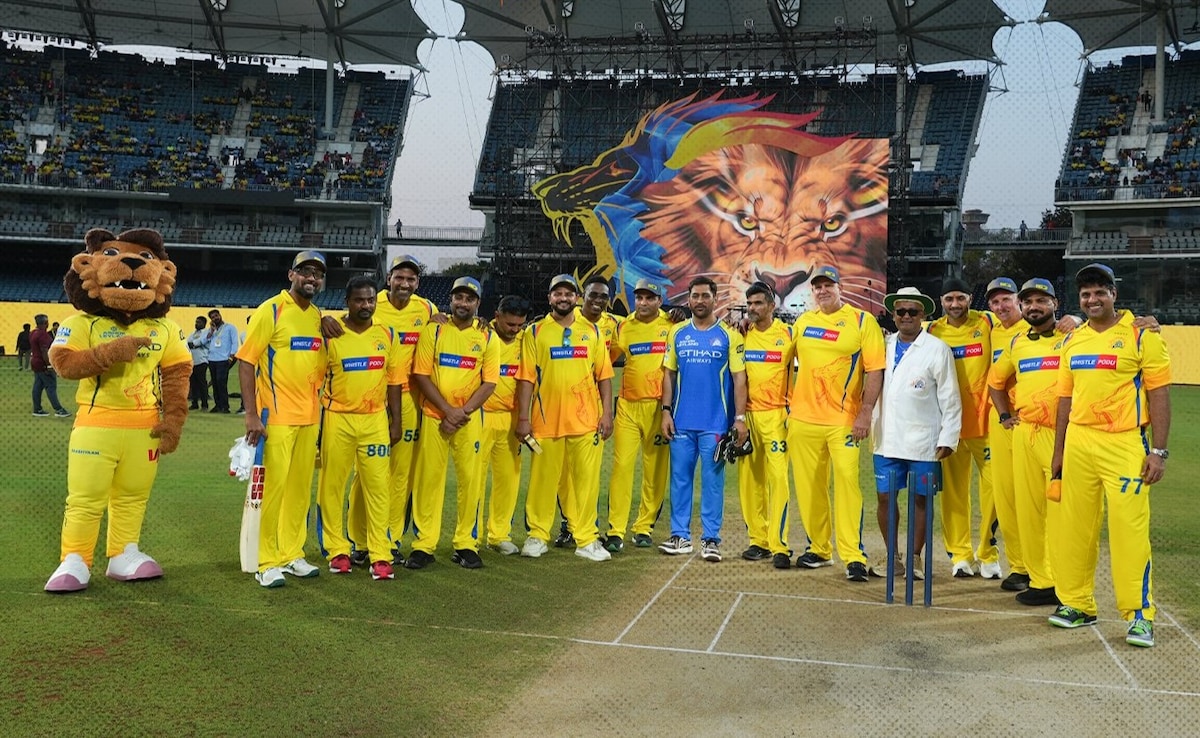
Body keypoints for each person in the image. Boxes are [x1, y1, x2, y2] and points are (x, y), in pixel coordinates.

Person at [1049, 263, 1171, 648]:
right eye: (1086, 294)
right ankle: (1078, 604)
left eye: (1100, 292)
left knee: (1128, 531)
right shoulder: (1073, 340)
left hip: (1124, 443)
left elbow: (1159, 394)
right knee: (1075, 528)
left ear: (1113, 294)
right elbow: (1065, 399)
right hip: (1079, 441)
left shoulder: (1141, 334)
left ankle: (1139, 615)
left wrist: (1158, 451)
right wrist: (1059, 452)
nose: (1092, 299)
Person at [336, 254, 440, 566]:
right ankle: (360, 541)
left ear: (417, 283)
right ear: (389, 279)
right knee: (363, 474)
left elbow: (447, 330)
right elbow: (345, 327)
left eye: (411, 279)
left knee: (400, 474)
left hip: (408, 400)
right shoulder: (371, 301)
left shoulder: (426, 309)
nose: (404, 284)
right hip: (371, 400)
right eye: (399, 277)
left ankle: (389, 540)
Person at [236, 250, 328, 588]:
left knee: (299, 490)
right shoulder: (271, 310)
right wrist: (250, 414)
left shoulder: (316, 316)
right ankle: (265, 561)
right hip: (275, 417)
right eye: (305, 271)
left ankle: (291, 553)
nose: (311, 278)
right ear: (291, 274)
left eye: (317, 274)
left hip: (310, 418)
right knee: (272, 489)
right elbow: (247, 361)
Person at [787, 266, 884, 579]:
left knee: (847, 485)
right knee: (809, 488)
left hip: (844, 420)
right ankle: (819, 549)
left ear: (840, 288)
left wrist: (866, 411)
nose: (823, 291)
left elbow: (874, 369)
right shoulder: (803, 322)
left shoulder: (861, 321)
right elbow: (784, 360)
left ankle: (853, 555)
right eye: (817, 287)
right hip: (803, 420)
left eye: (828, 285)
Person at [514, 274, 615, 562]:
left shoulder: (592, 331)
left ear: (576, 298)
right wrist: (523, 418)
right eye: (557, 293)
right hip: (545, 421)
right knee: (543, 481)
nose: (563, 298)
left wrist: (607, 413)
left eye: (569, 293)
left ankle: (586, 539)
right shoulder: (535, 332)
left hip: (586, 422)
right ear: (550, 298)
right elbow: (526, 379)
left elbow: (604, 376)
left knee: (586, 483)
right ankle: (537, 536)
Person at [406, 277, 499, 570]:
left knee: (470, 481)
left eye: (469, 299)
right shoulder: (433, 330)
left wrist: (461, 412)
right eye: (459, 297)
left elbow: (489, 383)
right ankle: (424, 545)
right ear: (451, 299)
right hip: (434, 416)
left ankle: (465, 543)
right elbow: (421, 374)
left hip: (468, 420)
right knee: (428, 481)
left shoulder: (487, 336)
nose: (463, 303)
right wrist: (447, 411)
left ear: (477, 303)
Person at [315, 277, 404, 581]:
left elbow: (394, 382)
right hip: (338, 417)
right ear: (347, 302)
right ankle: (337, 550)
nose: (366, 305)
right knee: (332, 486)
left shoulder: (387, 334)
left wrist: (396, 421)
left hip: (374, 420)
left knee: (378, 488)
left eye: (370, 300)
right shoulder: (331, 335)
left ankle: (381, 554)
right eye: (359, 300)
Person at [987, 278, 1066, 607]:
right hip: (1025, 431)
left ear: (1055, 304)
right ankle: (1041, 580)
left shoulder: (1072, 336)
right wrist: (1005, 416)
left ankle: (1066, 580)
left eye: (1041, 301)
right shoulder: (1018, 343)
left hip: (1061, 434)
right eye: (1029, 301)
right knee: (1028, 510)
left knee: (1061, 510)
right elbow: (995, 382)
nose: (1034, 307)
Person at [872, 287, 961, 576]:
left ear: (923, 315)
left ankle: (914, 558)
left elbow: (950, 396)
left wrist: (949, 436)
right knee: (885, 498)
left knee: (921, 498)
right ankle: (892, 558)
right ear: (893, 315)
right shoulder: (882, 345)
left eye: (913, 311)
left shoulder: (937, 349)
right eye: (901, 311)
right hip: (886, 436)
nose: (906, 316)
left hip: (924, 439)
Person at [659, 276, 748, 563]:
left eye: (705, 296)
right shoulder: (677, 333)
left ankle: (711, 540)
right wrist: (665, 411)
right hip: (681, 422)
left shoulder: (729, 336)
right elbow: (669, 374)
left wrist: (739, 419)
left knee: (712, 483)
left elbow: (739, 379)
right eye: (695, 296)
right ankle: (680, 536)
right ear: (688, 299)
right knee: (680, 480)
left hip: (715, 424)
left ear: (714, 299)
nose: (699, 301)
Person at [552, 274, 625, 548]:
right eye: (593, 294)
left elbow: (611, 360)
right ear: (582, 296)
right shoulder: (564, 321)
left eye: (603, 296)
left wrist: (675, 316)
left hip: (591, 407)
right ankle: (569, 525)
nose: (597, 300)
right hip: (560, 407)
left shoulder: (614, 325)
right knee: (563, 474)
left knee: (587, 474)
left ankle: (586, 528)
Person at [927, 277, 993, 578]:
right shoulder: (932, 330)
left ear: (969, 298)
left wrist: (1072, 319)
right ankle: (961, 556)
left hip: (986, 424)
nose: (955, 304)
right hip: (949, 427)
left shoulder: (987, 322)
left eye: (960, 298)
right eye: (949, 299)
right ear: (941, 301)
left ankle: (989, 553)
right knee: (953, 494)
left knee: (994, 492)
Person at [606, 279, 673, 551]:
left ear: (659, 301)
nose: (643, 303)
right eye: (639, 298)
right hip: (628, 407)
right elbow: (605, 360)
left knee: (654, 471)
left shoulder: (671, 325)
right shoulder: (624, 327)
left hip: (658, 408)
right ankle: (615, 530)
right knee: (622, 468)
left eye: (649, 298)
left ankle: (643, 527)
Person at [737, 282, 795, 569]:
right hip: (748, 417)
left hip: (777, 417)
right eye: (750, 304)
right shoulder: (742, 334)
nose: (753, 308)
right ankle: (758, 541)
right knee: (751, 482)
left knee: (778, 480)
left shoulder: (789, 335)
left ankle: (779, 544)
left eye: (759, 303)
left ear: (772, 306)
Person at [982, 277, 1031, 592]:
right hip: (1002, 422)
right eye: (995, 302)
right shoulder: (991, 328)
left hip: (1032, 420)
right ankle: (1019, 567)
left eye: (1006, 300)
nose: (1001, 306)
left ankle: (1042, 565)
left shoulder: (1037, 327)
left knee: (1034, 496)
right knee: (1006, 496)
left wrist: (1075, 318)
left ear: (1019, 302)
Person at [476, 295, 531, 556]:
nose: (514, 330)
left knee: (508, 481)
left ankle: (499, 535)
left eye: (519, 325)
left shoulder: (526, 340)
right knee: (474, 479)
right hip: (481, 416)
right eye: (510, 324)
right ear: (496, 316)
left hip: (510, 418)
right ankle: (471, 537)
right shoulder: (480, 334)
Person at [30, 314, 70, 417]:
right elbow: (45, 351)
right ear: (45, 323)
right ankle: (59, 410)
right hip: (43, 363)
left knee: (38, 386)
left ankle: (37, 409)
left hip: (35, 362)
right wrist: (49, 365)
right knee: (51, 386)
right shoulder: (43, 335)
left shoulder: (33, 333)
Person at [204, 309, 240, 413]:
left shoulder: (230, 327)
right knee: (215, 383)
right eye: (212, 317)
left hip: (223, 359)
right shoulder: (212, 330)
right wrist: (211, 331)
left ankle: (225, 406)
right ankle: (217, 405)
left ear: (220, 315)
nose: (215, 318)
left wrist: (231, 356)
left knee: (221, 383)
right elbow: (204, 341)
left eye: (216, 315)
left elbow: (234, 342)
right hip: (212, 359)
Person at [186, 316, 210, 410]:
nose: (196, 324)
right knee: (193, 383)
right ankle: (194, 403)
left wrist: (194, 344)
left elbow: (199, 342)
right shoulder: (193, 333)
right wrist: (193, 345)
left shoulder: (206, 332)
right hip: (192, 361)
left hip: (201, 360)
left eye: (199, 322)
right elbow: (187, 343)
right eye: (196, 322)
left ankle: (204, 404)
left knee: (202, 383)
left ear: (204, 323)